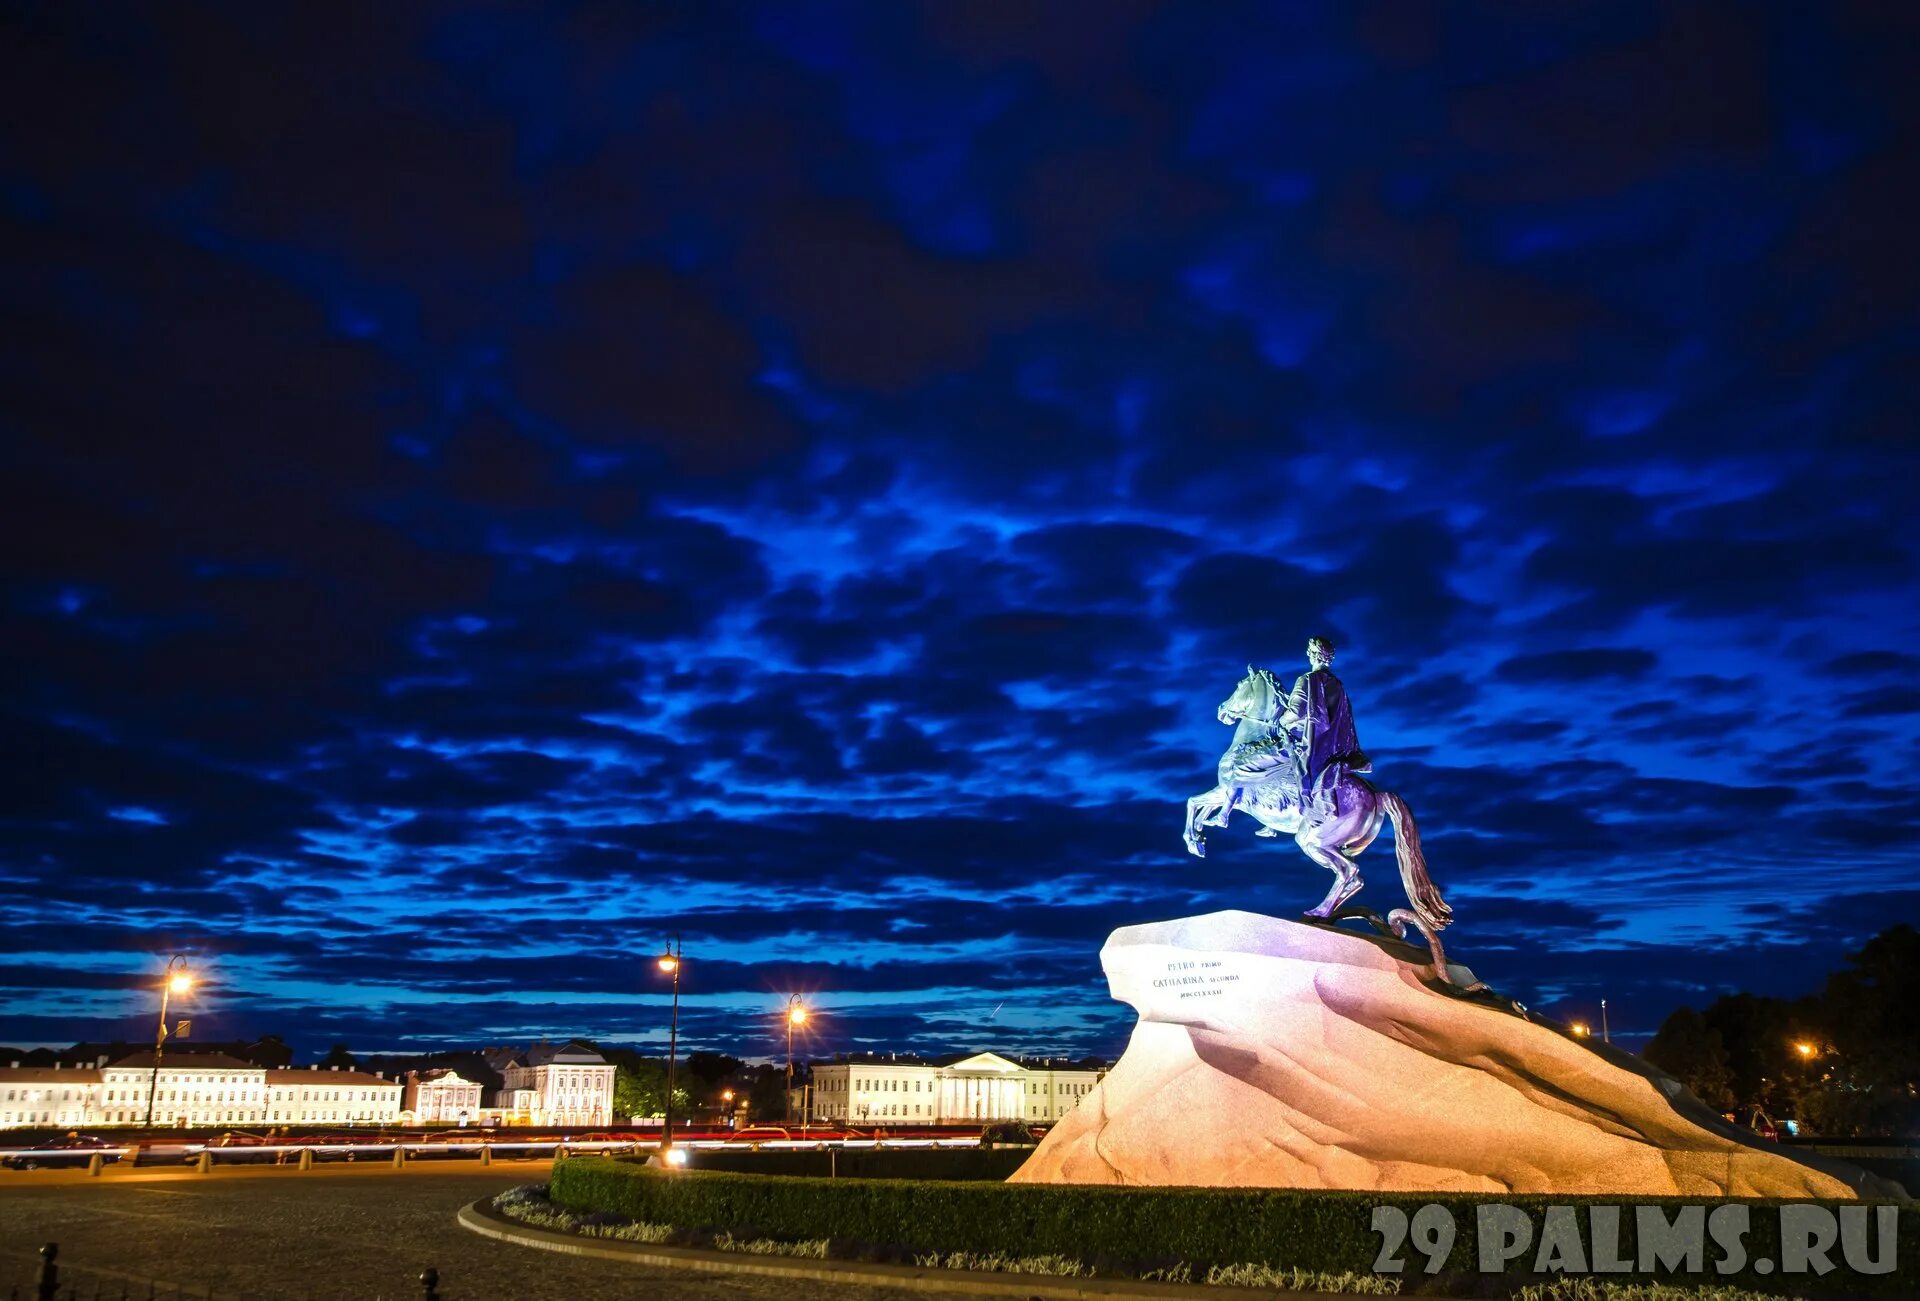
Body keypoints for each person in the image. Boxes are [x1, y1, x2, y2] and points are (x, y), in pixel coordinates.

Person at [1280, 637, 1369, 818]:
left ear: (1312, 654)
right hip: (1335, 748)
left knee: (1279, 758)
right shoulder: (1338, 685)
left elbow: (1296, 712)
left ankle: (1304, 805)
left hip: (1314, 744)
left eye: (1309, 651)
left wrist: (1281, 720)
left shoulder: (1307, 680)